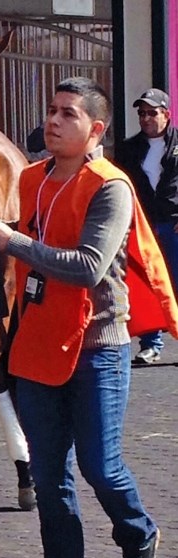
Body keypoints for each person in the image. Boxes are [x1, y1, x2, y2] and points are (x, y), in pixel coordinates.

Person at [0, 77, 178, 558]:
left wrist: (10, 239)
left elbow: (85, 267)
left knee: (100, 468)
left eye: (68, 115)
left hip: (98, 347)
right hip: (37, 344)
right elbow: (35, 233)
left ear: (95, 129)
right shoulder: (32, 178)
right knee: (50, 481)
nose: (53, 122)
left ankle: (139, 533)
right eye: (52, 111)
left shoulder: (111, 187)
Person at [117, 88, 178, 364]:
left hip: (173, 224)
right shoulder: (129, 148)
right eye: (141, 113)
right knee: (147, 282)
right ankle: (151, 343)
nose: (145, 118)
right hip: (144, 226)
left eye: (152, 113)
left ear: (166, 114)